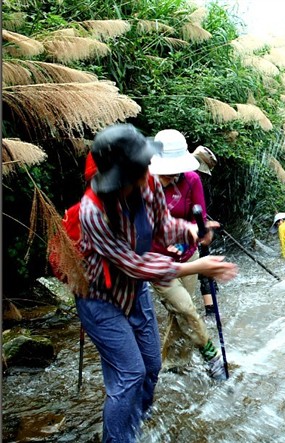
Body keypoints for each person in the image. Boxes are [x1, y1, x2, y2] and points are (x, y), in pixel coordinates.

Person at [77, 124, 237, 442]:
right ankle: (120, 437)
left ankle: (134, 419)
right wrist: (197, 266)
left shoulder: (146, 183)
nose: (148, 175)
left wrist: (189, 231)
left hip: (134, 294)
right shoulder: (92, 212)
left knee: (151, 366)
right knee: (130, 373)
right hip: (100, 298)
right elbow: (135, 265)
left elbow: (162, 223)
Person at [148, 129, 227, 379]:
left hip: (189, 256)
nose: (172, 174)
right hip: (158, 261)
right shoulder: (144, 186)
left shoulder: (191, 179)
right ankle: (211, 356)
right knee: (185, 309)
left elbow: (199, 219)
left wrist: (199, 234)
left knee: (179, 312)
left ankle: (173, 364)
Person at [193, 145, 218, 317]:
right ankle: (210, 310)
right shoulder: (195, 179)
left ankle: (209, 307)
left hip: (192, 227)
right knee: (204, 265)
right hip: (191, 231)